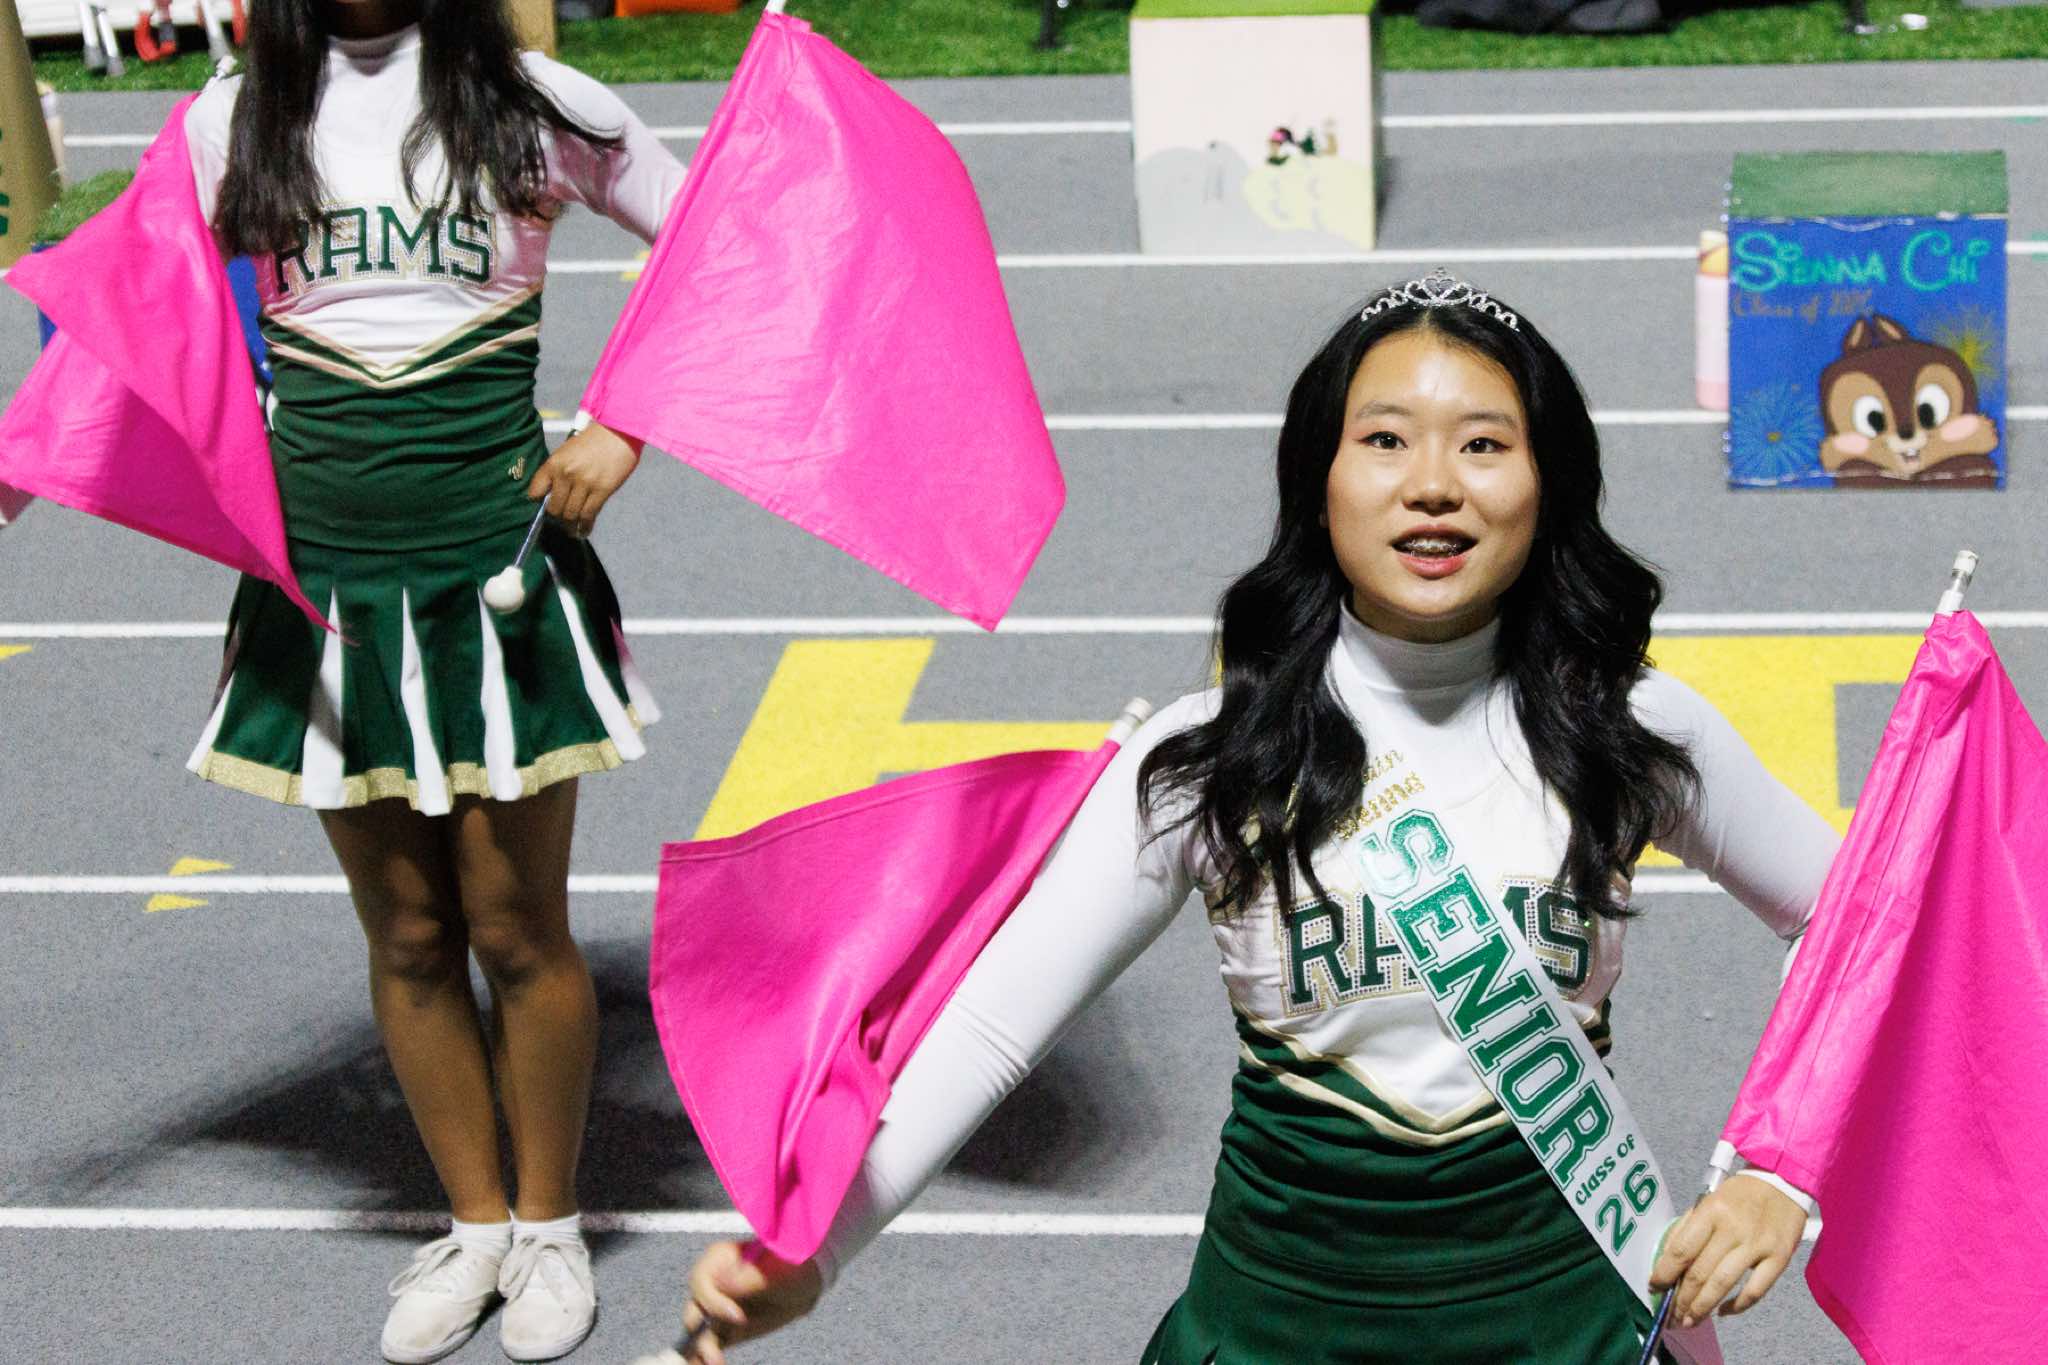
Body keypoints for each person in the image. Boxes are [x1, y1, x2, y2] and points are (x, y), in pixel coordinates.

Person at [663, 273, 1835, 1363]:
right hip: (1279, 1328)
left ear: (1548, 484)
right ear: (1316, 480)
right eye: (1383, 441)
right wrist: (816, 1254)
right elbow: (990, 1030)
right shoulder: (1208, 757)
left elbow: (1856, 932)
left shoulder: (1629, 729)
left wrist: (1777, 1169)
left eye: (1483, 444)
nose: (1433, 484)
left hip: (1566, 1326)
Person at [181, 1, 686, 1359]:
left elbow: (718, 239)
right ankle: (473, 1228)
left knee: (516, 927)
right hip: (323, 586)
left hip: (495, 572)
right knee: (407, 934)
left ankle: (551, 1228)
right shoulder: (231, 113)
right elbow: (138, 320)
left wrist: (627, 422)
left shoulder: (538, 101)